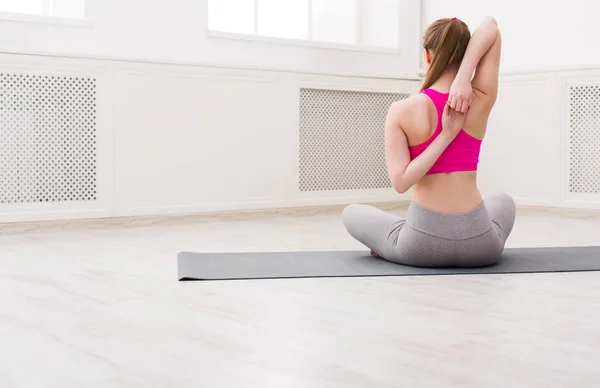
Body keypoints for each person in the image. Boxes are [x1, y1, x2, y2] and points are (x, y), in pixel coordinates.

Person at [342, 16, 515, 268]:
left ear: (427, 55)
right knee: (503, 201)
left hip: (422, 246)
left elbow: (400, 183)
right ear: (468, 52)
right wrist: (465, 77)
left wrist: (445, 136)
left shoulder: (401, 110)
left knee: (351, 213)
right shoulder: (480, 99)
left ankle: (395, 240)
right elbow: (491, 26)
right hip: (481, 246)